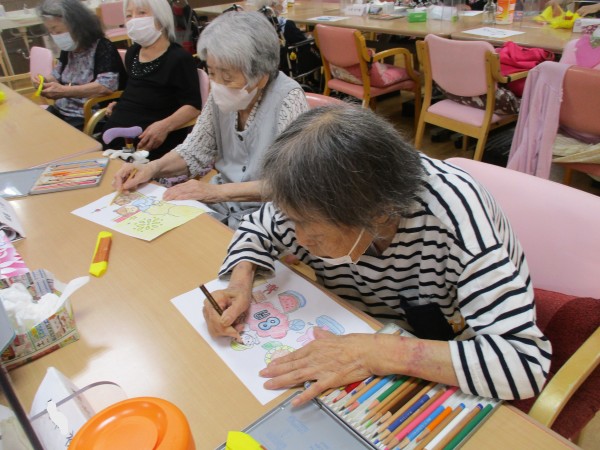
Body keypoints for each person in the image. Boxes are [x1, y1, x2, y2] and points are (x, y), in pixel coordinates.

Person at [203, 105, 551, 406]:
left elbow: (524, 364)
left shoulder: (456, 221)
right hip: (356, 329)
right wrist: (240, 283)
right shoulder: (316, 196)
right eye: (293, 220)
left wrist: (375, 352)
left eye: (311, 229)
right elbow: (256, 228)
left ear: (379, 214)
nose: (299, 239)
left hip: (433, 358)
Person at [113, 11, 308, 228]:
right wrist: (151, 168)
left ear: (261, 76)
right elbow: (194, 150)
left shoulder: (288, 100)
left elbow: (292, 184)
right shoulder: (222, 95)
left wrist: (216, 192)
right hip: (222, 205)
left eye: (227, 77)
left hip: (270, 216)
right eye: (212, 73)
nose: (217, 85)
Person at [102, 0, 202, 160]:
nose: (133, 20)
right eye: (128, 15)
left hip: (151, 143)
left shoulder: (179, 58)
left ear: (161, 18)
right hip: (117, 140)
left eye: (141, 13)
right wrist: (120, 104)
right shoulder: (132, 53)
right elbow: (139, 90)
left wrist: (164, 126)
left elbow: (194, 106)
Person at [36, 0, 126, 130]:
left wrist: (64, 91)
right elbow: (56, 76)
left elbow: (105, 87)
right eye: (51, 32)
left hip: (87, 115)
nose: (55, 36)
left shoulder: (103, 47)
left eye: (57, 31)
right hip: (62, 110)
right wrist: (43, 82)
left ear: (77, 26)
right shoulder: (68, 50)